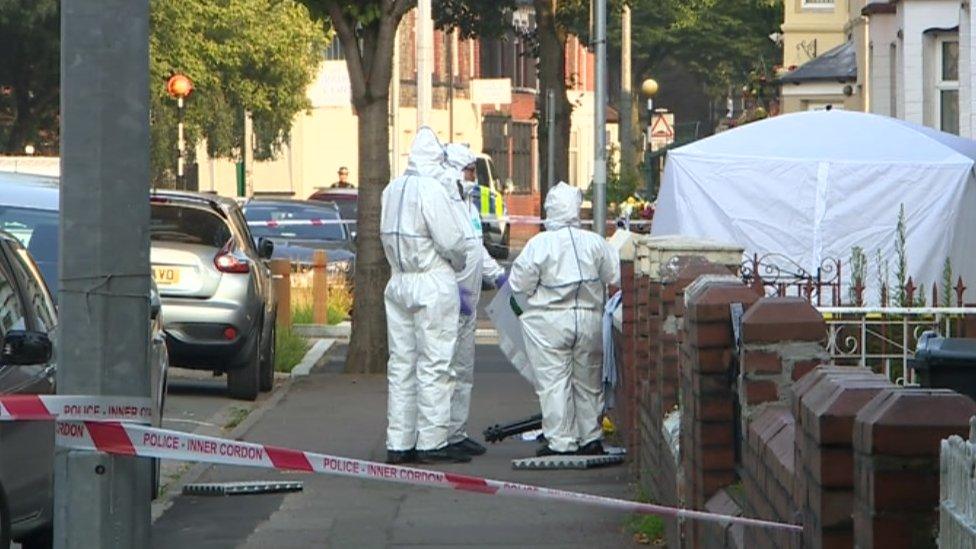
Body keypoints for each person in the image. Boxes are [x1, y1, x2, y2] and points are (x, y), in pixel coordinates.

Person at [508, 182, 620, 456]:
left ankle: (561, 442)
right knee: (588, 381)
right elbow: (614, 276)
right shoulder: (595, 242)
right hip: (589, 319)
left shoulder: (539, 244)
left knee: (554, 383)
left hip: (550, 322)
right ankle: (590, 437)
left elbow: (518, 284)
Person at [381, 127, 471, 465]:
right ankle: (432, 441)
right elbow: (452, 242)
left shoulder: (392, 190)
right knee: (435, 364)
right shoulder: (432, 190)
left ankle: (399, 441)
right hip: (432, 281)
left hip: (399, 281)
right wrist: (458, 265)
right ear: (437, 159)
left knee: (402, 365)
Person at [441, 143, 506, 457]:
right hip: (449, 301)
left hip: (467, 301)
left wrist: (497, 275)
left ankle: (456, 431)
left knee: (464, 369)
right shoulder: (443, 204)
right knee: (443, 370)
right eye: (467, 170)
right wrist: (453, 291)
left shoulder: (467, 205)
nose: (472, 176)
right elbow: (441, 253)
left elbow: (475, 248)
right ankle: (437, 435)